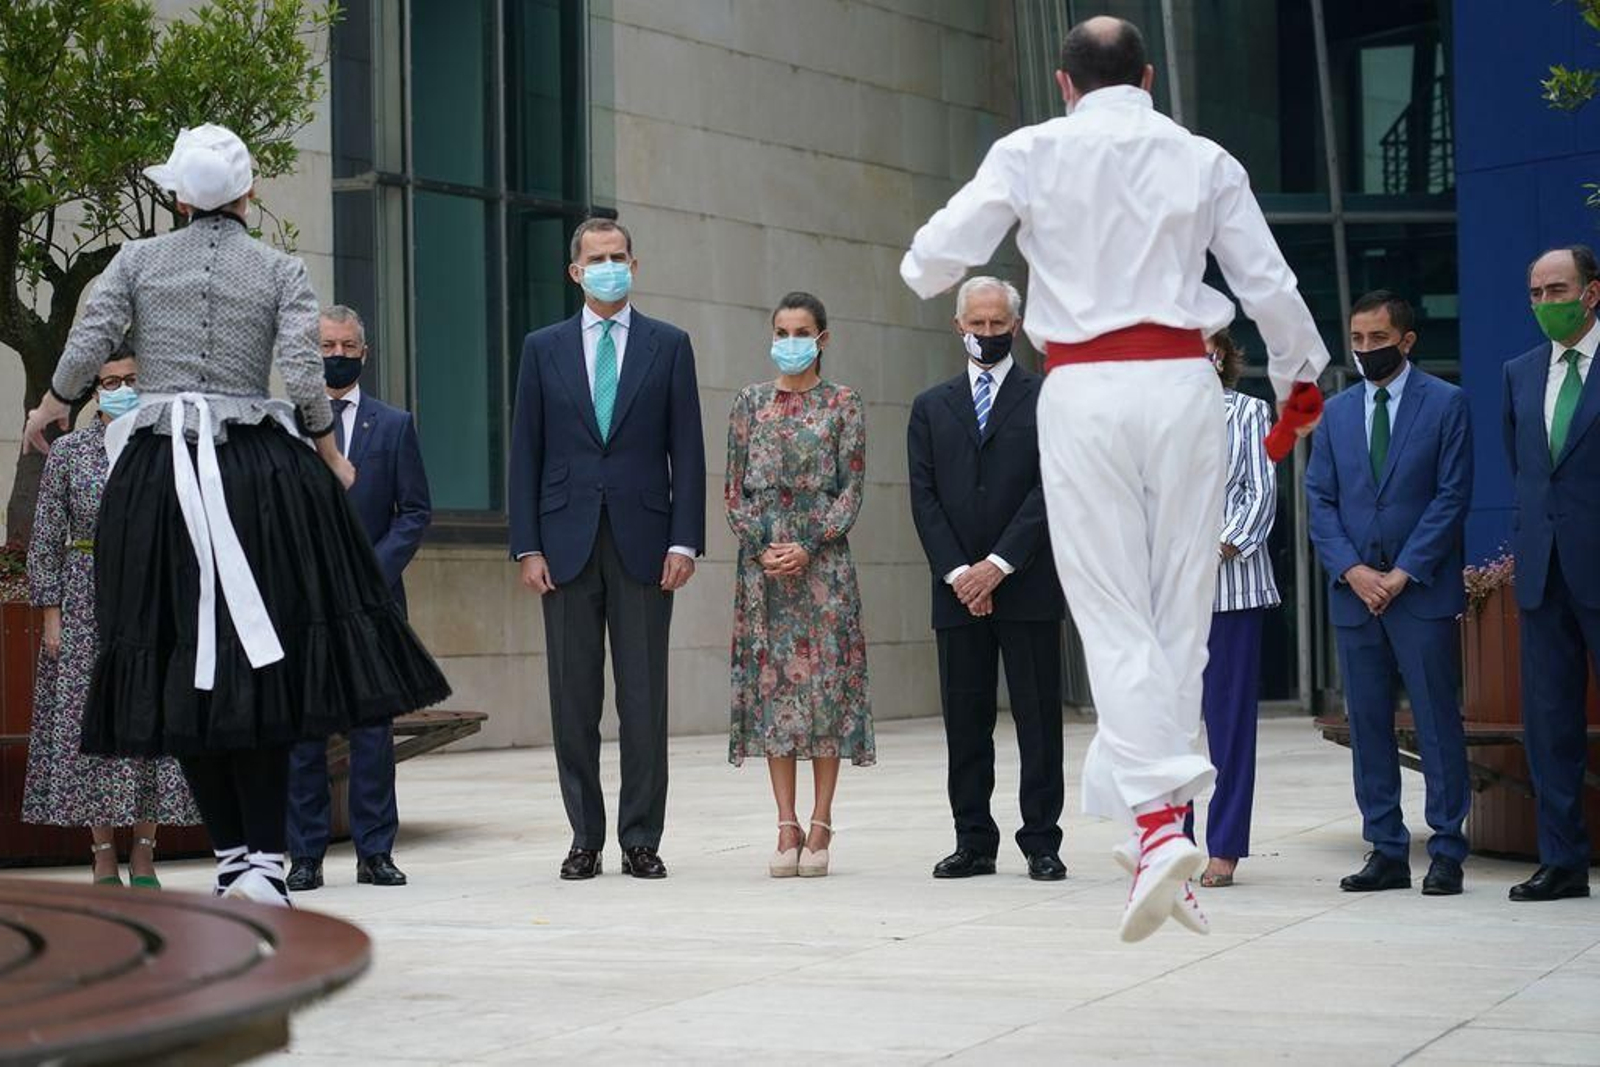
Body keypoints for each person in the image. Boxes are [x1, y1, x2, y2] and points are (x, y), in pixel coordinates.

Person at [899, 16, 1329, 941]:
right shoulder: (1204, 156)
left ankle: (1155, 823)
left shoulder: (1030, 150)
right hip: (1183, 386)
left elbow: (929, 263)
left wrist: (986, 236)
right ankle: (1165, 834)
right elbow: (1271, 288)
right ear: (1146, 75)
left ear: (1063, 83)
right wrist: (1298, 393)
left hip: (1087, 387)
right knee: (1181, 619)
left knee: (1113, 615)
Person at [22, 124, 451, 907]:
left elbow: (89, 339)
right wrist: (326, 449)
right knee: (267, 660)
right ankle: (260, 860)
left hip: (158, 475)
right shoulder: (279, 267)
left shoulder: (138, 261)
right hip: (258, 473)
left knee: (175, 660)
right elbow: (300, 370)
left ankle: (233, 857)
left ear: (179, 197)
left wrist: (49, 406)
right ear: (249, 194)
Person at [508, 217, 706, 881]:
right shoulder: (542, 348)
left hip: (647, 545)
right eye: (597, 258)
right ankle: (584, 837)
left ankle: (641, 837)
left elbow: (690, 451)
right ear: (575, 271)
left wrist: (686, 538)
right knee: (573, 700)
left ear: (635, 264)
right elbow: (524, 453)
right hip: (563, 546)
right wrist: (526, 546)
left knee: (644, 699)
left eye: (619, 256)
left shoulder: (669, 346)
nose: (609, 266)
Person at [1306, 291, 1472, 897]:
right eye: (1357, 340)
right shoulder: (1336, 412)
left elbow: (1451, 496)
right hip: (1356, 596)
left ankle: (1448, 848)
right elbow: (1319, 499)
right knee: (1369, 724)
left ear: (1406, 341)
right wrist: (1353, 570)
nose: (1366, 350)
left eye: (1378, 339)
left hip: (1418, 591)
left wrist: (1402, 573)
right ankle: (1386, 848)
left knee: (1436, 723)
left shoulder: (1447, 404)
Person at [907, 276, 1066, 882]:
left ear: (1017, 327)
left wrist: (997, 566)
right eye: (978, 324)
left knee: (1038, 719)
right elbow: (923, 499)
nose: (988, 334)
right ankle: (973, 839)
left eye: (999, 324)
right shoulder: (929, 406)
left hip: (1025, 585)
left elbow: (1049, 488)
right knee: (966, 719)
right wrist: (959, 574)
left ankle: (1042, 841)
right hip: (956, 593)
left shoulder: (1047, 397)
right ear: (958, 326)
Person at [23, 349, 201, 887]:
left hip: (151, 605)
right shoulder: (70, 454)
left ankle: (145, 852)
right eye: (109, 381)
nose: (119, 388)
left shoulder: (166, 450)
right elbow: (46, 539)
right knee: (91, 728)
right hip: (83, 601)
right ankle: (101, 853)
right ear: (94, 390)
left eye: (130, 380)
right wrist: (52, 616)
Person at [725, 291, 873, 879]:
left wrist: (809, 544)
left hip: (823, 566)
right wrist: (760, 545)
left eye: (801, 331)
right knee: (774, 694)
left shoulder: (844, 404)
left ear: (822, 338)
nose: (790, 340)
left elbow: (851, 489)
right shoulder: (748, 403)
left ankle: (821, 820)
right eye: (782, 330)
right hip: (763, 567)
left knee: (825, 690)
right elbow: (732, 487)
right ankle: (785, 823)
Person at [286, 306, 432, 893]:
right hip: (302, 604)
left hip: (374, 605)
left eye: (347, 345)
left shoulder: (393, 425)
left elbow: (415, 511)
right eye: (326, 343)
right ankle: (305, 856)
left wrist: (368, 571)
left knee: (373, 736)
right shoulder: (284, 424)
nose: (337, 353)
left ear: (364, 354)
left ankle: (376, 852)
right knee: (304, 736)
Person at [1502, 245, 1600, 902]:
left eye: (1557, 289)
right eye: (1536, 292)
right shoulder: (1519, 371)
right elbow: (1528, 469)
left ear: (1591, 292)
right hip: (1544, 572)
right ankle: (1562, 860)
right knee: (1550, 720)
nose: (1546, 303)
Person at [1188, 330, 1279, 888]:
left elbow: (1260, 492)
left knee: (1228, 728)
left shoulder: (1248, 412)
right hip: (1165, 598)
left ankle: (1224, 845)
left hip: (1231, 591)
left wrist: (1212, 544)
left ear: (1221, 356)